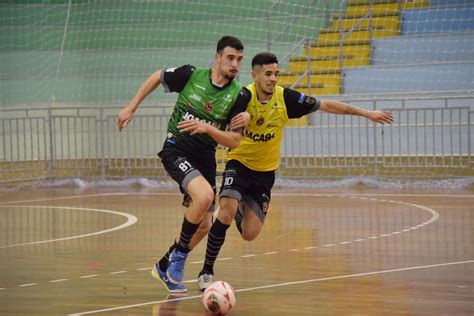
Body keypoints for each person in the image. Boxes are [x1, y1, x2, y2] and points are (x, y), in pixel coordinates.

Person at [196, 52, 394, 290]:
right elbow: (221, 121)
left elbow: (325, 104)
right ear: (255, 75)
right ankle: (206, 270)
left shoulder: (286, 99)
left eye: (276, 74)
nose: (273, 78)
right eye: (268, 74)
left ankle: (236, 208)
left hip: (265, 173)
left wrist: (366, 113)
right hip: (239, 163)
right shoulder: (242, 96)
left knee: (249, 234)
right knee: (226, 211)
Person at [117, 36, 250, 293]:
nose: (235, 64)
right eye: (230, 58)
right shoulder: (191, 75)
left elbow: (234, 141)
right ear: (218, 57)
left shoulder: (239, 95)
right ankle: (179, 257)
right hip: (176, 149)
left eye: (240, 60)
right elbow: (158, 76)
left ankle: (164, 264)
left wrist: (208, 128)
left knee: (203, 226)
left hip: (205, 157)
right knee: (205, 196)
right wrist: (131, 106)